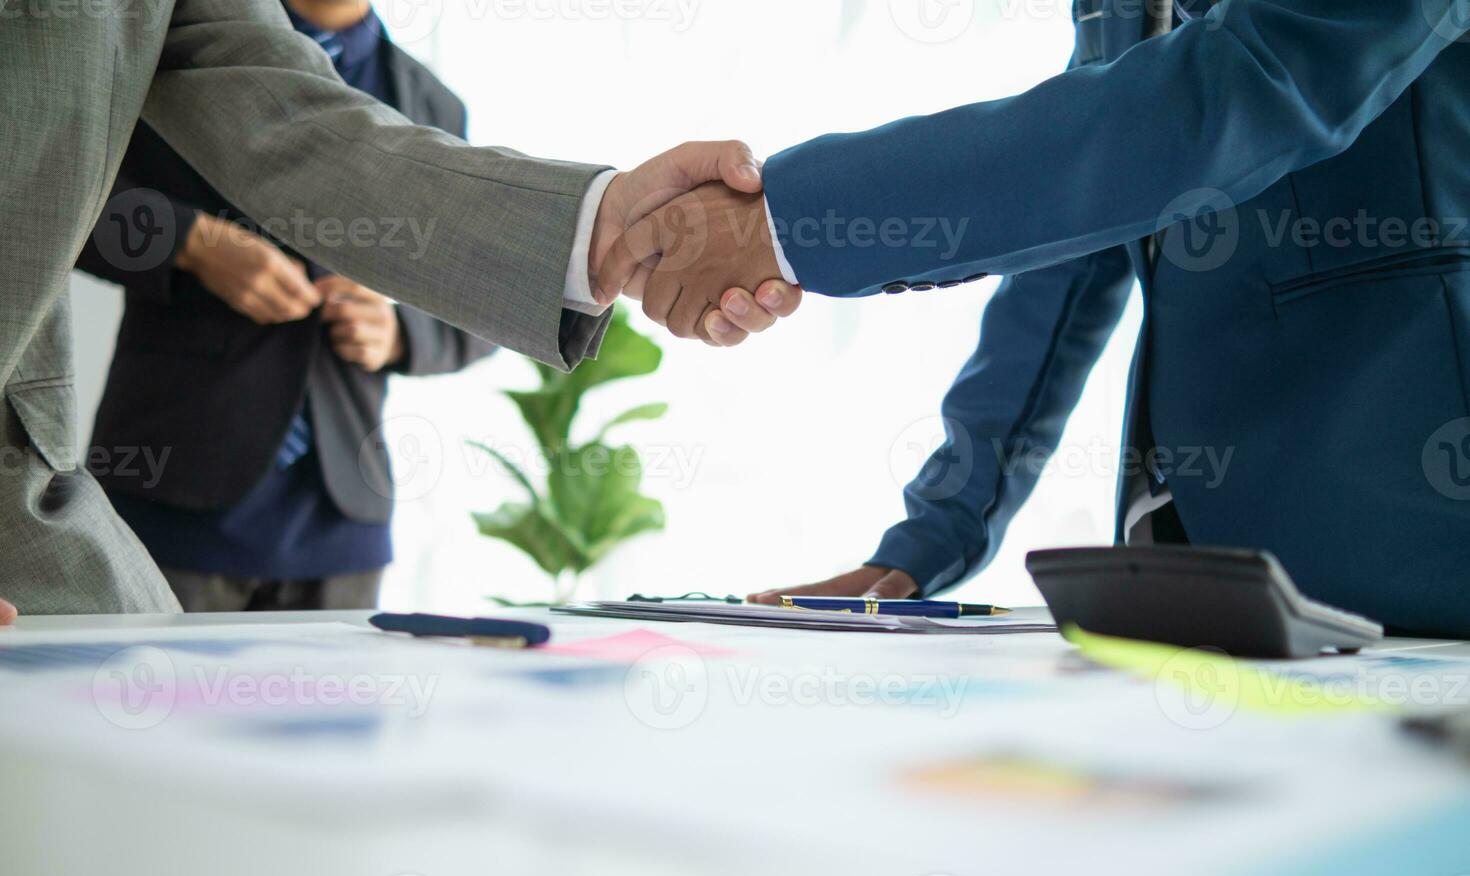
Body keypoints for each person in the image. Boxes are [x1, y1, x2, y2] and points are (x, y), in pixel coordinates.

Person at [603, 0, 1470, 637]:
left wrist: (788, 220)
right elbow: (1074, 246)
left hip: (1425, 572)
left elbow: (1225, 98)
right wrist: (931, 537)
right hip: (1212, 596)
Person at [0, 0, 799, 619]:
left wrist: (602, 231)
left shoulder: (424, 96)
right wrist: (189, 243)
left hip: (340, 498)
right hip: (173, 470)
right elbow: (74, 196)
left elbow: (306, 139)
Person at [75, 0, 500, 612]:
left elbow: (483, 297)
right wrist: (190, 242)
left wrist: (401, 331)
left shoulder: (434, 105)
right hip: (169, 486)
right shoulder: (172, 50)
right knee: (153, 705)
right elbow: (54, 194)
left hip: (342, 518)